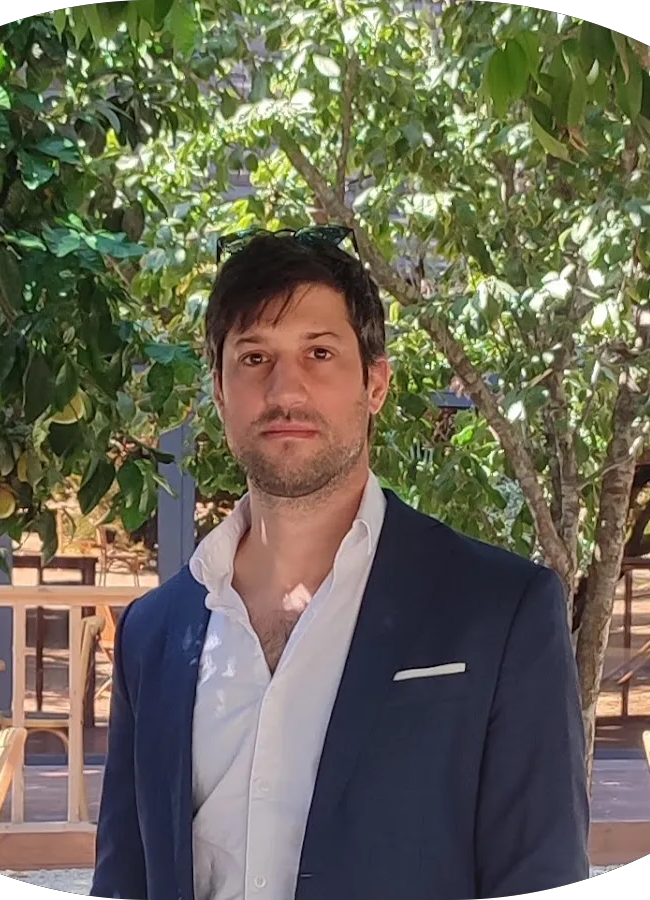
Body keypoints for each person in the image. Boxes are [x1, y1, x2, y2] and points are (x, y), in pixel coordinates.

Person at [91, 227, 590, 900]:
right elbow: (124, 879)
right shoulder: (153, 635)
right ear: (220, 391)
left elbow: (538, 868)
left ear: (375, 383)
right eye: (254, 357)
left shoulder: (499, 612)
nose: (285, 389)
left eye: (319, 353)